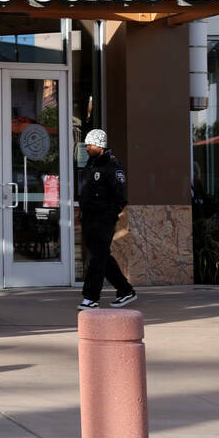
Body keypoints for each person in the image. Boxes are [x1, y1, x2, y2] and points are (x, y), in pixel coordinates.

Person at [77, 128, 137, 310]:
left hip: (103, 220)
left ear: (101, 146)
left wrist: (108, 218)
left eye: (91, 144)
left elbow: (120, 198)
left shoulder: (113, 167)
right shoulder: (91, 164)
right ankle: (126, 291)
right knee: (102, 256)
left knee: (97, 257)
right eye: (86, 144)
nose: (87, 147)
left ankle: (91, 297)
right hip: (89, 219)